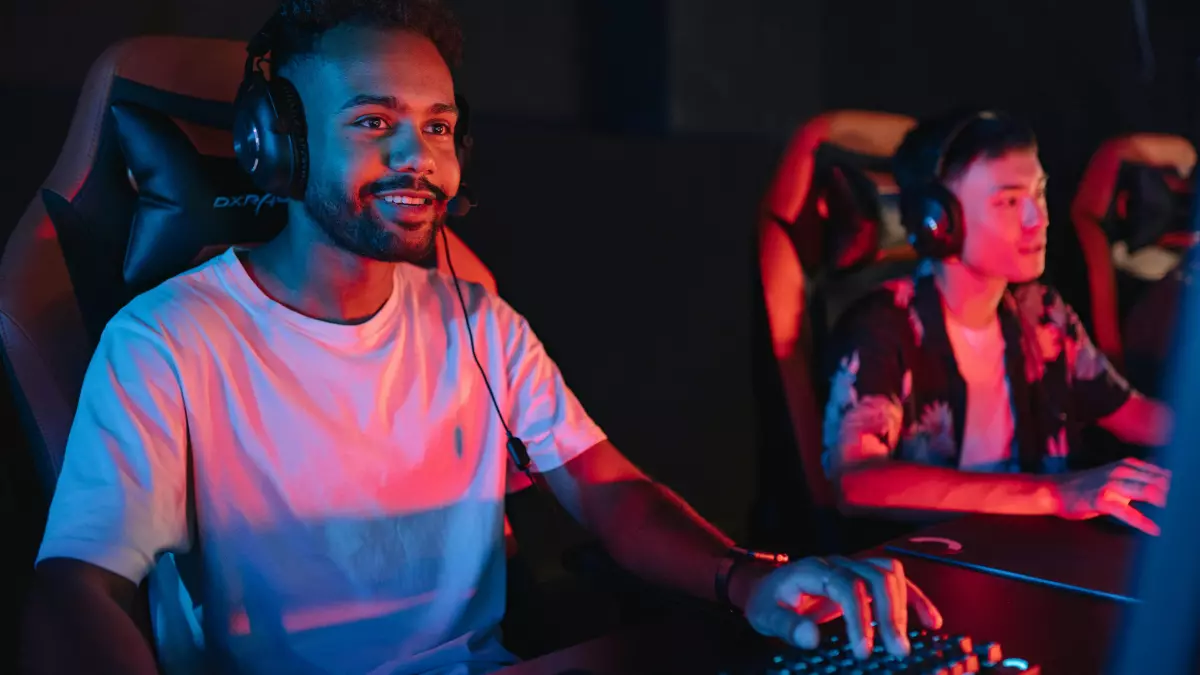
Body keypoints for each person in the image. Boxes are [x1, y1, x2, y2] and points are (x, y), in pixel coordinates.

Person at [22, 2, 942, 674]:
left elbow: (610, 490)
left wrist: (750, 580)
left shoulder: (475, 319)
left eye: (438, 126)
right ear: (279, 146)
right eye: (374, 123)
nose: (417, 156)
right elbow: (79, 584)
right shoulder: (171, 339)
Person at [821, 110, 1174, 536]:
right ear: (938, 223)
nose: (1037, 219)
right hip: (921, 578)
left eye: (1039, 194)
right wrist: (1056, 494)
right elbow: (857, 483)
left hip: (1034, 563)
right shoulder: (884, 325)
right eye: (1009, 201)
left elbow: (1134, 415)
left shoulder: (1042, 314)